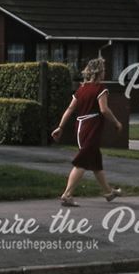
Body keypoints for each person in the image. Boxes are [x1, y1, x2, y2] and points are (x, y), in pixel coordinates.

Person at [52, 57, 124, 207]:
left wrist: (60, 127)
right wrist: (116, 122)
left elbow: (70, 109)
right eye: (103, 70)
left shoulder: (81, 89)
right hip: (92, 127)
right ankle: (67, 195)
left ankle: (109, 193)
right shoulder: (100, 89)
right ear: (99, 72)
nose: (105, 73)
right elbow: (104, 110)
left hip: (80, 128)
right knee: (82, 163)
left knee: (96, 162)